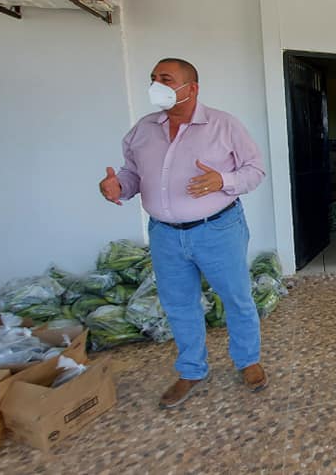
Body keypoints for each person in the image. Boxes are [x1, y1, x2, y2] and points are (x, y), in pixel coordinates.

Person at [99, 58, 267, 408]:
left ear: (192, 88)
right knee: (178, 304)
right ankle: (191, 369)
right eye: (153, 78)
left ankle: (247, 360)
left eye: (166, 79)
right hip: (165, 234)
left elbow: (255, 171)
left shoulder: (223, 125)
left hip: (218, 228)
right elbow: (133, 175)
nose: (156, 85)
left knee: (236, 297)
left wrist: (223, 180)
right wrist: (118, 187)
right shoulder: (143, 129)